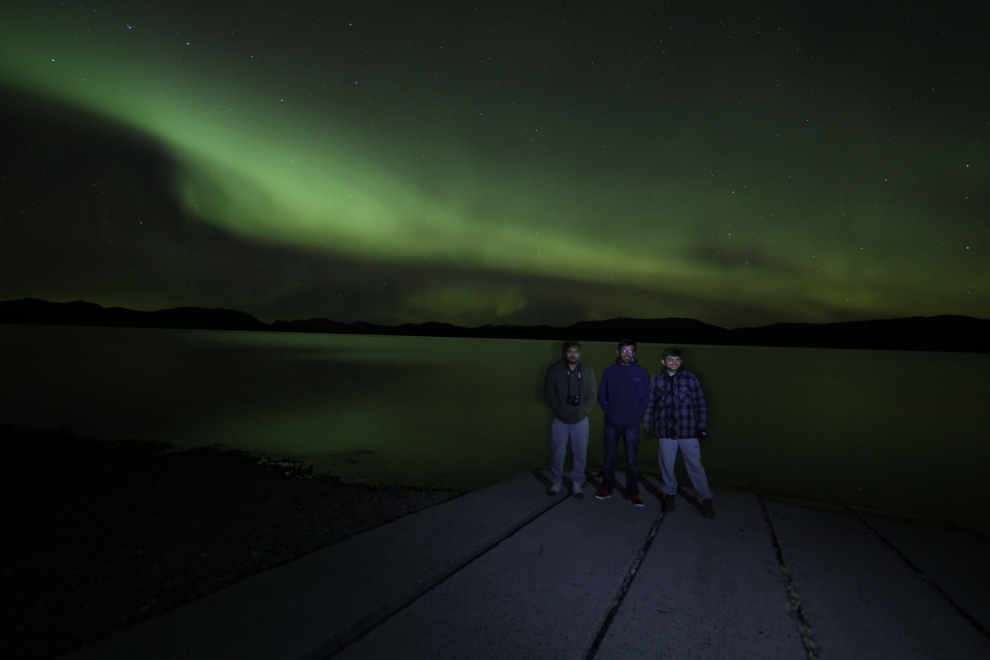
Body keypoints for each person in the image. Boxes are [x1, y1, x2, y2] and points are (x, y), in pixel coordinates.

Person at [643, 347, 716, 518]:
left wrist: (702, 426)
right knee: (666, 466)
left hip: (688, 431)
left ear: (681, 362)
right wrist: (647, 426)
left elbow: (701, 403)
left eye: (677, 360)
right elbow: (650, 404)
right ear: (664, 361)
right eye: (670, 359)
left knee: (695, 466)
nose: (674, 363)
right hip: (665, 431)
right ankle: (669, 495)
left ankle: (706, 499)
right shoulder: (657, 378)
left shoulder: (690, 378)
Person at [594, 339, 651, 507]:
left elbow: (646, 398)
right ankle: (606, 489)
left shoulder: (641, 373)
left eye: (631, 351)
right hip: (611, 423)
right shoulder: (609, 371)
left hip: (632, 424)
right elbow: (602, 395)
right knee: (609, 458)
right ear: (618, 352)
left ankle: (633, 493)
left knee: (632, 461)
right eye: (624, 351)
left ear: (634, 353)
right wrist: (608, 410)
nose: (627, 354)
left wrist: (637, 415)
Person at [544, 342, 596, 497]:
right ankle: (556, 482)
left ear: (580, 353)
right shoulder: (555, 370)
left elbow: (592, 396)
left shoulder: (587, 370)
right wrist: (560, 409)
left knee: (580, 452)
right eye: (569, 352)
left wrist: (582, 411)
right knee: (558, 452)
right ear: (564, 353)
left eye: (576, 352)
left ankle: (577, 482)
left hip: (581, 420)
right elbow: (549, 394)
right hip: (560, 419)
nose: (573, 354)